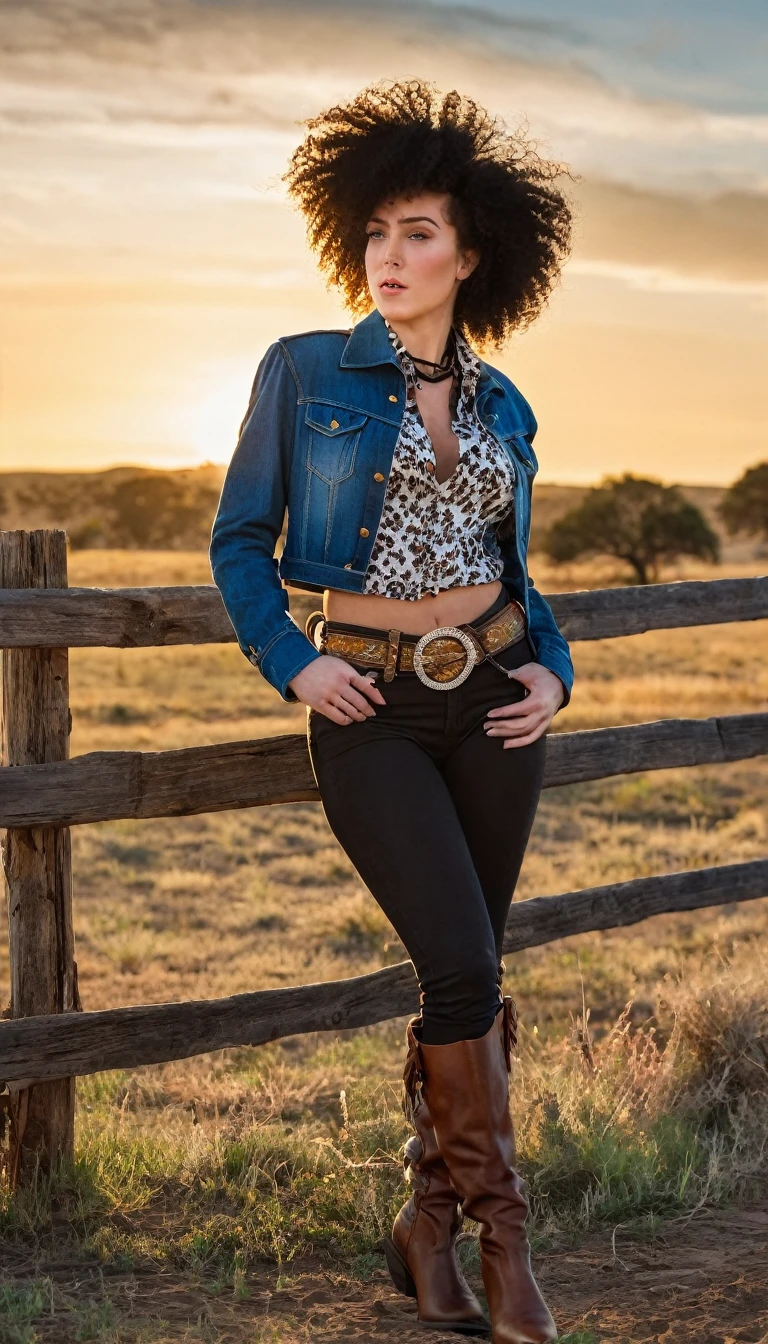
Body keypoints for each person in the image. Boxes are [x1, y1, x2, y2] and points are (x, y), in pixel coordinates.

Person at [210, 79, 573, 1344]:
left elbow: (522, 573)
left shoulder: (504, 403)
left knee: (468, 970)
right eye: (373, 234)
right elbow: (238, 541)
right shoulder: (305, 373)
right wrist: (294, 663)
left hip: (492, 702)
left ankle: (429, 1230)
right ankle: (505, 1239)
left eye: (419, 234)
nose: (390, 257)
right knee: (464, 961)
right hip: (366, 701)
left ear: (472, 252)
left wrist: (554, 670)